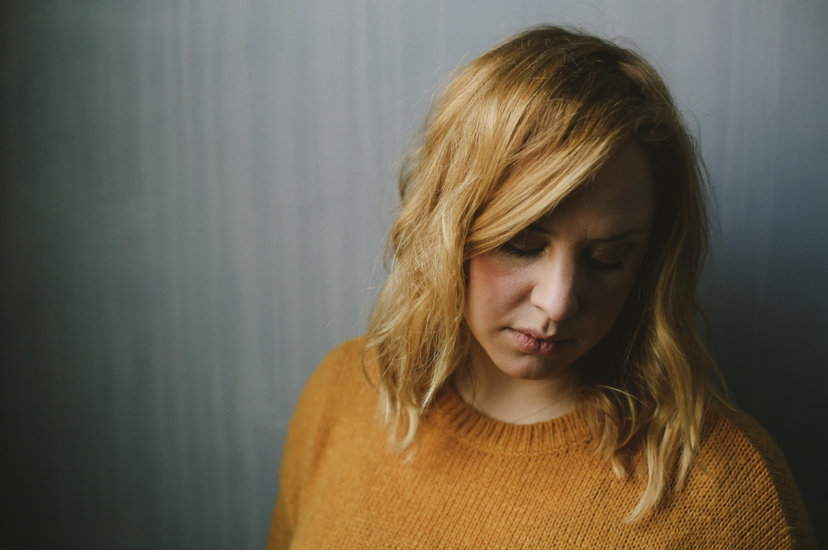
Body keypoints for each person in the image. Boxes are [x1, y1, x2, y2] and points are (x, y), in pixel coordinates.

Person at [268, 25, 815, 548]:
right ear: (446, 229)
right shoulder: (341, 396)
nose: (558, 303)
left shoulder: (726, 488)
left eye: (608, 259)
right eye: (522, 244)